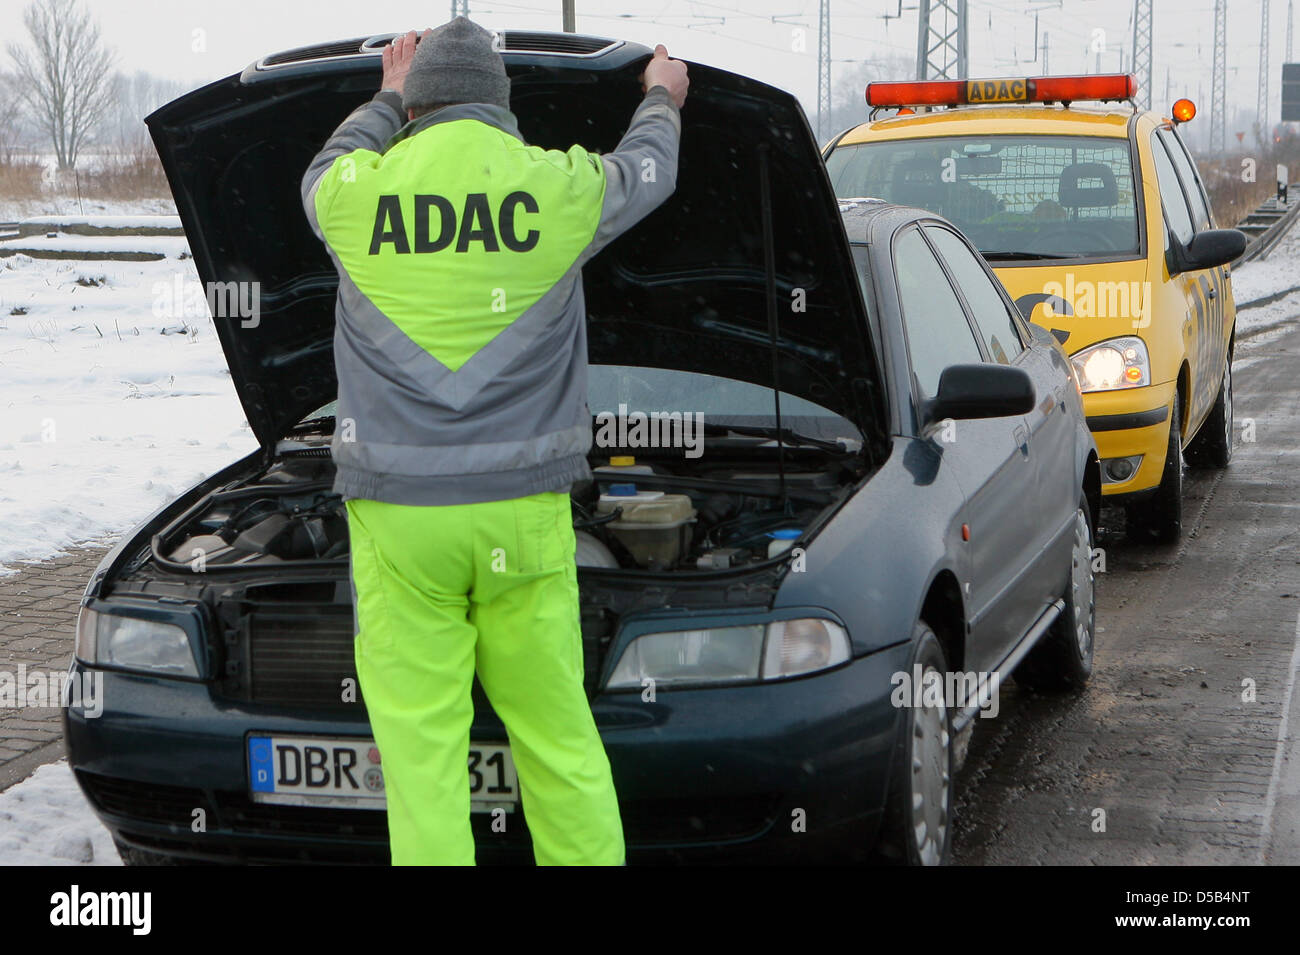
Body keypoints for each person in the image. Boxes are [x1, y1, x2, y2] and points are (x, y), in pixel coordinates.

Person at [299, 17, 688, 865]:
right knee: (556, 741)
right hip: (522, 517)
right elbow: (649, 171)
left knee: (422, 765)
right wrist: (661, 95)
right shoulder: (554, 186)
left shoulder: (356, 193)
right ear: (501, 104)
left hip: (400, 524)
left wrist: (383, 98)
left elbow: (318, 172)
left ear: (419, 105)